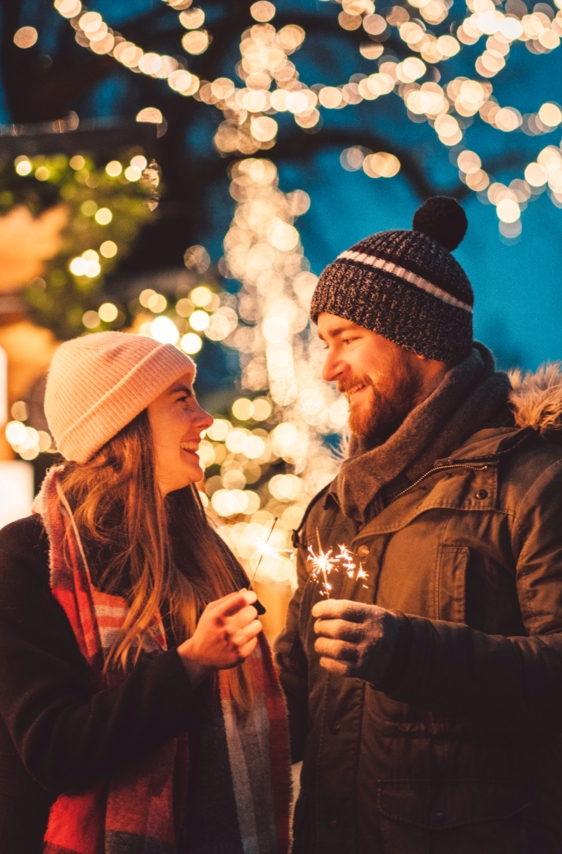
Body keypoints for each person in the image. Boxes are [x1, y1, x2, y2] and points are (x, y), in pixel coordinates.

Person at [275, 196, 562, 853]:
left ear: (418, 337)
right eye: (324, 343)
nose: (328, 369)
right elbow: (291, 704)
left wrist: (409, 653)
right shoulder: (334, 512)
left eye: (347, 338)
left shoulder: (534, 483)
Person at [0, 332, 290, 854]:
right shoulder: (28, 555)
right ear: (124, 423)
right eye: (181, 399)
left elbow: (249, 711)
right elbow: (54, 752)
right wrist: (189, 664)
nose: (204, 419)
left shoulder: (200, 551)